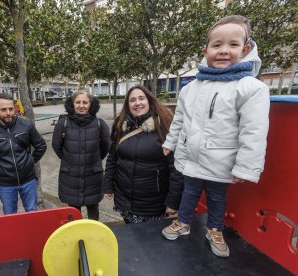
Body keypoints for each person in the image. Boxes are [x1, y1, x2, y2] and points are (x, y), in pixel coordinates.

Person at [161, 15, 270, 258]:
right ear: (206, 50)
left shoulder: (250, 88)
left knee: (216, 196)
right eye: (217, 45)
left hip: (220, 160)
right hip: (191, 157)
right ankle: (184, 222)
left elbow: (253, 131)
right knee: (189, 192)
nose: (223, 51)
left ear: (245, 49)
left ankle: (214, 229)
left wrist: (246, 167)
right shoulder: (191, 88)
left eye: (233, 45)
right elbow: (179, 120)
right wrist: (170, 143)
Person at [103, 85, 184, 224]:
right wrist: (108, 186)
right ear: (128, 105)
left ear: (149, 101)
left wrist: (173, 201)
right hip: (124, 200)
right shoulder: (121, 125)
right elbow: (112, 158)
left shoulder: (164, 126)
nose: (137, 103)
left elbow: (176, 169)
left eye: (141, 98)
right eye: (132, 100)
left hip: (153, 203)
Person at [0, 93, 47, 214]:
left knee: (32, 211)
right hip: (5, 183)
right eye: (3, 109)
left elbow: (41, 145)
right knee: (10, 214)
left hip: (28, 180)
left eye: (11, 108)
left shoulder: (26, 125)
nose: (9, 112)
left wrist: (30, 161)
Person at [52, 91, 110, 220]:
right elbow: (57, 147)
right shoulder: (63, 124)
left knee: (93, 207)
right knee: (73, 210)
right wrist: (71, 159)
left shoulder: (100, 124)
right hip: (70, 175)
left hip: (93, 175)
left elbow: (105, 147)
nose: (81, 105)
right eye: (78, 102)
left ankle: (93, 234)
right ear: (72, 104)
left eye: (85, 102)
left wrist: (93, 159)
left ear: (90, 104)